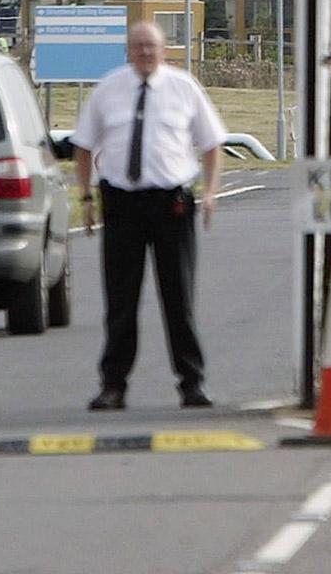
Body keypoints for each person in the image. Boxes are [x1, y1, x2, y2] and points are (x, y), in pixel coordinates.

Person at [72, 21, 227, 410]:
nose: (145, 53)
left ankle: (192, 383)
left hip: (171, 203)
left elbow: (212, 143)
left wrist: (209, 192)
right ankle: (113, 386)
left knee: (179, 297)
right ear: (128, 51)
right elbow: (83, 146)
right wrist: (86, 197)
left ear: (164, 51)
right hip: (122, 204)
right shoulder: (108, 89)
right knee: (121, 300)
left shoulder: (183, 88)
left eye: (152, 47)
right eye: (138, 46)